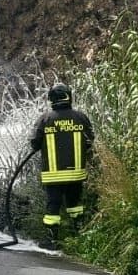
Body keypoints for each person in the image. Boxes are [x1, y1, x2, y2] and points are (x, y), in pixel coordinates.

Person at [29, 83, 94, 250]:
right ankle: (78, 237)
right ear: (68, 96)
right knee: (75, 205)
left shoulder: (45, 119)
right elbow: (90, 140)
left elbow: (34, 143)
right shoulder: (81, 117)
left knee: (53, 206)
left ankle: (51, 240)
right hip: (76, 174)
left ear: (52, 99)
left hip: (53, 175)